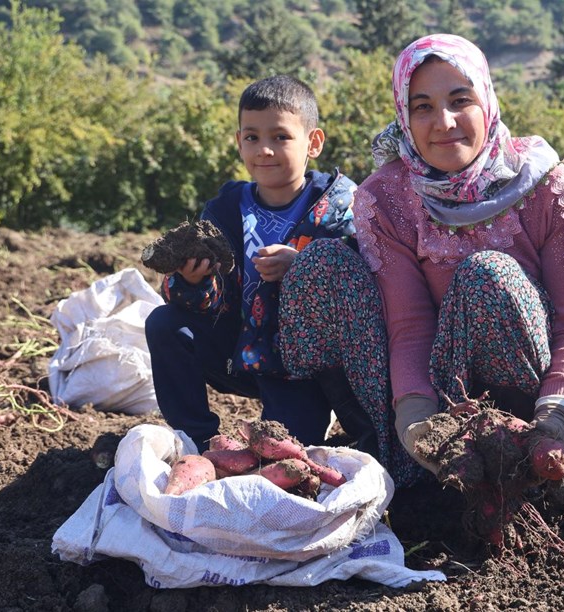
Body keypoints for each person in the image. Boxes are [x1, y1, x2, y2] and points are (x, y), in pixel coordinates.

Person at [354, 34, 564, 473]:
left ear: (486, 100)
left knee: (487, 275)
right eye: (423, 106)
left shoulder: (547, 185)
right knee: (327, 268)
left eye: (460, 100)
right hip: (446, 394)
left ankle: (519, 449)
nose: (444, 122)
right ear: (404, 117)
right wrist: (417, 422)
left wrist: (554, 419)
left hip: (535, 397)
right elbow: (409, 325)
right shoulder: (386, 197)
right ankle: (411, 458)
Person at [144, 75, 387, 467]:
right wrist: (193, 281)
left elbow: (366, 276)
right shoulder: (225, 208)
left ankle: (363, 432)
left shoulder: (341, 206)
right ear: (238, 141)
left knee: (287, 455)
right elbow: (212, 300)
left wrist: (302, 266)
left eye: (280, 137)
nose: (265, 150)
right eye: (252, 137)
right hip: (237, 349)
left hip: (305, 367)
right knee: (165, 323)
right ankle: (199, 441)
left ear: (314, 143)